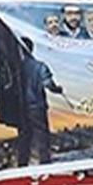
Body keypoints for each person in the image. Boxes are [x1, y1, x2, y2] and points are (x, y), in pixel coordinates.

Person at [15, 37, 62, 167]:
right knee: (42, 135)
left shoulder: (16, 69)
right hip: (37, 107)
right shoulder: (40, 66)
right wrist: (58, 89)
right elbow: (49, 85)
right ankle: (45, 163)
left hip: (21, 108)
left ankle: (22, 164)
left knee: (24, 136)